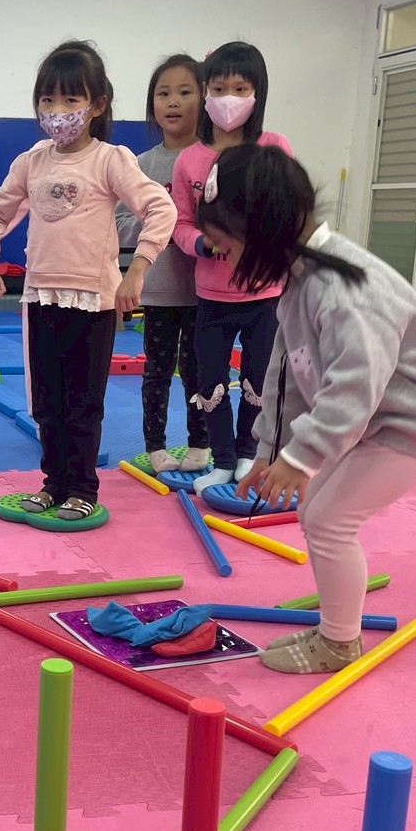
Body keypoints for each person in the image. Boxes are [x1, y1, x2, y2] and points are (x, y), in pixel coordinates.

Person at [196, 143, 416, 675]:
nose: (220, 257)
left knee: (328, 520)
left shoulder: (344, 291)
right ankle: (337, 625)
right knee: (316, 513)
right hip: (382, 415)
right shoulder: (300, 277)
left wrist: (302, 457)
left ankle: (340, 643)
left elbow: (353, 388)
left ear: (260, 231)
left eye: (224, 245)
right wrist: (271, 449)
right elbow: (286, 371)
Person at [0, 40, 176, 520]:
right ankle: (53, 483)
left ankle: (82, 488)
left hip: (93, 302)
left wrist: (137, 270)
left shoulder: (110, 160)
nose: (57, 111)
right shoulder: (32, 161)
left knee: (83, 402)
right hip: (41, 297)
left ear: (96, 105)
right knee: (47, 402)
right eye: (48, 100)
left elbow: (160, 208)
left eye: (70, 100)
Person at [169, 42, 293, 493]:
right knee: (211, 380)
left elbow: (290, 208)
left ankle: (247, 454)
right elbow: (179, 223)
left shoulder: (274, 147)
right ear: (206, 92)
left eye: (240, 89)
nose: (229, 98)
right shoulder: (190, 159)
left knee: (260, 379)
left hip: (266, 295)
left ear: (258, 93)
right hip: (212, 297)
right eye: (219, 88)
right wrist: (201, 243)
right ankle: (222, 459)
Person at [115, 53, 210, 474]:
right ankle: (155, 445)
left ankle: (201, 443)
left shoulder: (213, 159)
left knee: (198, 371)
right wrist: (160, 222)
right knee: (156, 371)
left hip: (205, 291)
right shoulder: (140, 165)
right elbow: (118, 223)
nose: (173, 101)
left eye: (185, 92)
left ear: (203, 99)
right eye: (163, 93)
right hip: (157, 290)